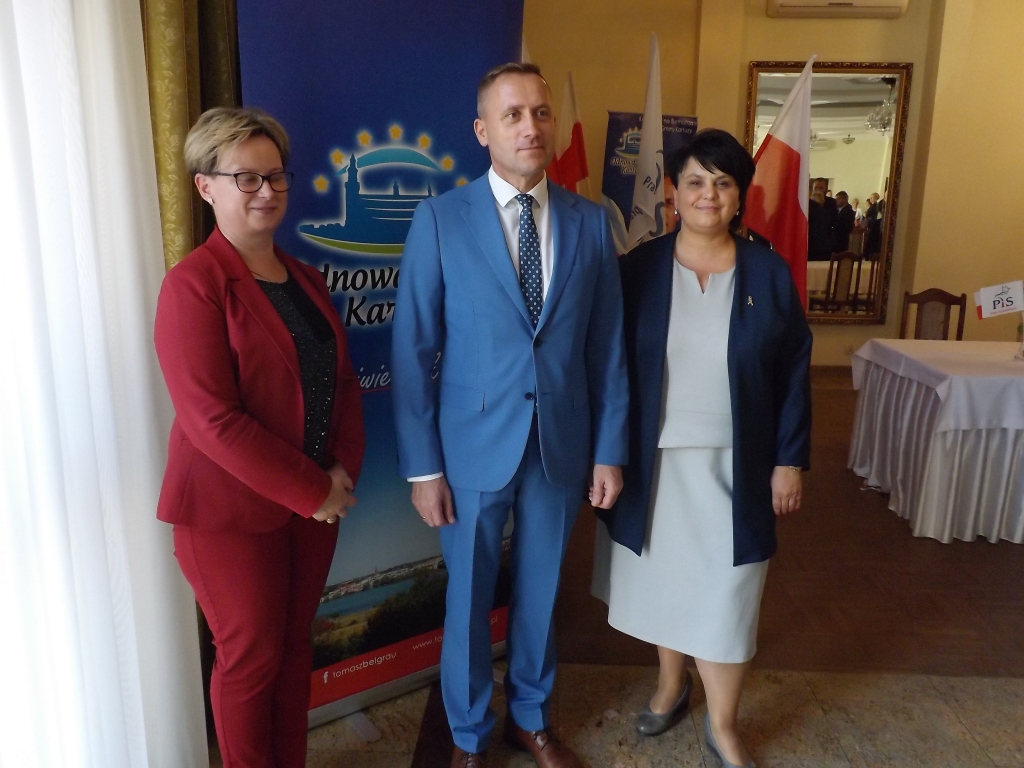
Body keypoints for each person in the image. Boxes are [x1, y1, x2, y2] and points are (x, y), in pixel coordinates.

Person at [391, 62, 629, 768]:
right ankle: (468, 734)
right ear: (482, 130)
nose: (531, 126)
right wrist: (423, 469)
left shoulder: (592, 224)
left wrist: (609, 448)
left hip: (562, 443)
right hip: (468, 450)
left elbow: (608, 347)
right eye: (514, 114)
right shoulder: (441, 220)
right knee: (467, 600)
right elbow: (413, 351)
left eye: (541, 112)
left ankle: (531, 717)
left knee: (541, 592)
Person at [593, 129, 812, 768]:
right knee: (666, 585)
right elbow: (608, 368)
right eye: (695, 181)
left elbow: (794, 370)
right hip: (655, 465)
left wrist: (789, 459)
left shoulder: (768, 272)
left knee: (728, 596)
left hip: (737, 469)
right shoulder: (637, 269)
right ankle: (671, 684)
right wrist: (605, 452)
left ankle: (724, 725)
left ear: (740, 196)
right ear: (673, 191)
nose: (708, 194)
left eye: (722, 182)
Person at [154, 107, 365, 768]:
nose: (267, 191)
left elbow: (342, 382)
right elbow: (211, 421)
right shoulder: (192, 286)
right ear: (206, 187)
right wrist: (312, 490)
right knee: (250, 660)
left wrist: (341, 473)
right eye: (247, 178)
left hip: (314, 507)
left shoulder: (306, 278)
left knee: (295, 648)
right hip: (228, 516)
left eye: (276, 176)